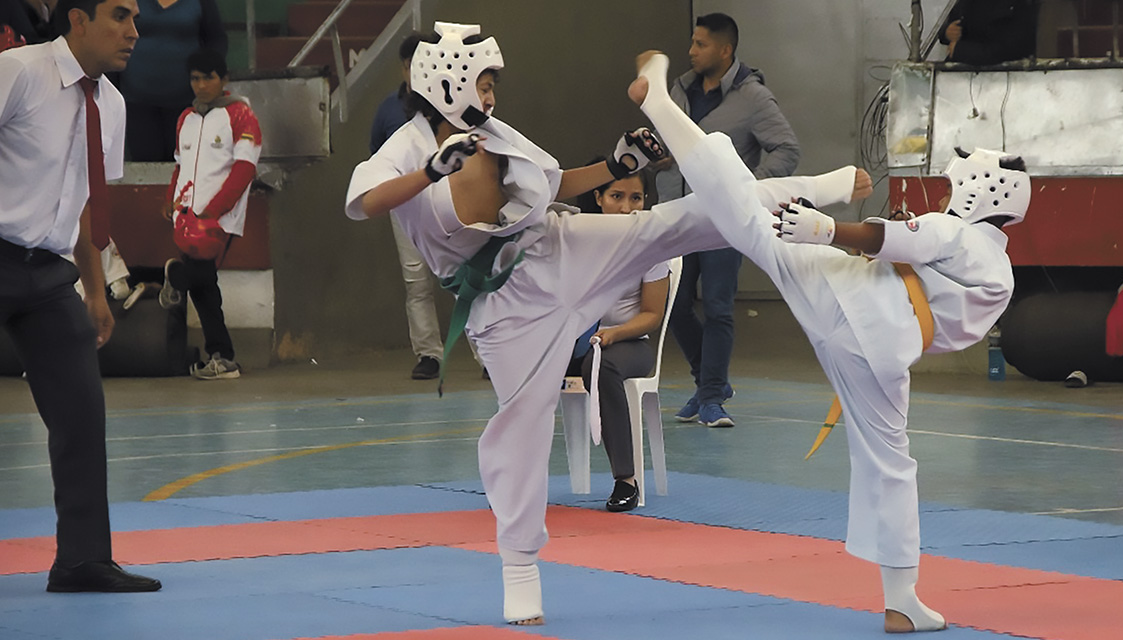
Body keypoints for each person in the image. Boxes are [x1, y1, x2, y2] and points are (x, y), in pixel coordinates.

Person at [345, 21, 861, 626]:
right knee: (521, 426)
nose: (489, 97)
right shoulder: (405, 147)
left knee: (673, 223)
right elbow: (364, 203)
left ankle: (803, 192)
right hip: (504, 308)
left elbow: (551, 183)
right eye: (483, 84)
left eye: (491, 85)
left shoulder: (494, 133)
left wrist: (616, 163)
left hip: (553, 246)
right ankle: (519, 568)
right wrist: (433, 171)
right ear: (449, 82)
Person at [630, 50, 1031, 632]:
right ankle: (902, 600)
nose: (947, 198)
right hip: (878, 349)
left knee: (746, 215)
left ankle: (665, 107)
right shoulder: (1001, 278)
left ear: (976, 195)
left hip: (848, 299)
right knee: (890, 464)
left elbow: (895, 238)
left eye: (954, 189)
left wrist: (828, 228)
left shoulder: (959, 234)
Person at [0, 0, 160, 592]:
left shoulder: (110, 105)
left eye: (137, 20)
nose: (134, 33)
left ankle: (81, 560)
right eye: (120, 16)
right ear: (78, 19)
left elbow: (91, 200)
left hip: (48, 275)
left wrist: (94, 289)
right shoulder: (19, 72)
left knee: (81, 414)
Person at [657, 12, 801, 428]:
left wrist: (748, 188)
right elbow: (676, 146)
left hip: (724, 221)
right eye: (692, 43)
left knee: (719, 307)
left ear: (725, 50)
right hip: (679, 216)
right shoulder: (679, 91)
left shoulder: (754, 98)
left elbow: (787, 150)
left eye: (700, 44)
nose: (691, 51)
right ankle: (710, 385)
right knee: (674, 305)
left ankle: (710, 396)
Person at [567, 167, 670, 513]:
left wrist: (613, 333)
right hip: (579, 339)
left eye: (636, 198)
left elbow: (652, 315)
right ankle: (519, 481)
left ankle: (625, 478)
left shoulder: (651, 246)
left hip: (630, 344)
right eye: (616, 197)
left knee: (600, 365)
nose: (627, 208)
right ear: (598, 198)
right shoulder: (578, 240)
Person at [163, 47, 261, 380]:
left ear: (224, 79)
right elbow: (180, 166)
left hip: (219, 216)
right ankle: (221, 357)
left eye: (209, 77)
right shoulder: (185, 119)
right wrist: (171, 200)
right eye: (195, 78)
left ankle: (170, 278)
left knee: (199, 276)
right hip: (186, 215)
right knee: (206, 287)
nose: (201, 85)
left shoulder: (241, 115)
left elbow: (245, 168)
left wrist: (215, 210)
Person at [370, 32, 448, 380]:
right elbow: (376, 162)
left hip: (451, 203)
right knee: (417, 282)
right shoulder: (388, 110)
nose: (417, 71)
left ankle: (485, 353)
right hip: (405, 208)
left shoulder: (454, 105)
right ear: (403, 68)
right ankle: (429, 354)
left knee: (467, 277)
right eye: (411, 65)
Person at [118, 0, 225, 161]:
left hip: (187, 102)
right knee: (145, 166)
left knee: (185, 164)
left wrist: (207, 71)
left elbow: (217, 40)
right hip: (135, 100)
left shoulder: (201, 3)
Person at [939, 0, 1039, 65]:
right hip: (960, 79)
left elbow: (1010, 50)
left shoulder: (1019, 4)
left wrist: (961, 51)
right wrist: (947, 32)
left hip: (1002, 82)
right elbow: (956, 21)